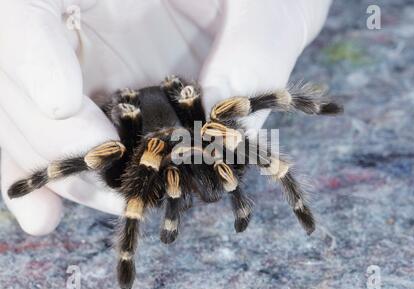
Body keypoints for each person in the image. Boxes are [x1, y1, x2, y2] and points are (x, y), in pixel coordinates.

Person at [0, 0, 332, 236]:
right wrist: (41, 176)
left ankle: (299, 203)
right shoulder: (130, 157)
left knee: (220, 118)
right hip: (137, 133)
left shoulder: (207, 139)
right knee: (102, 146)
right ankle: (126, 253)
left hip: (184, 123)